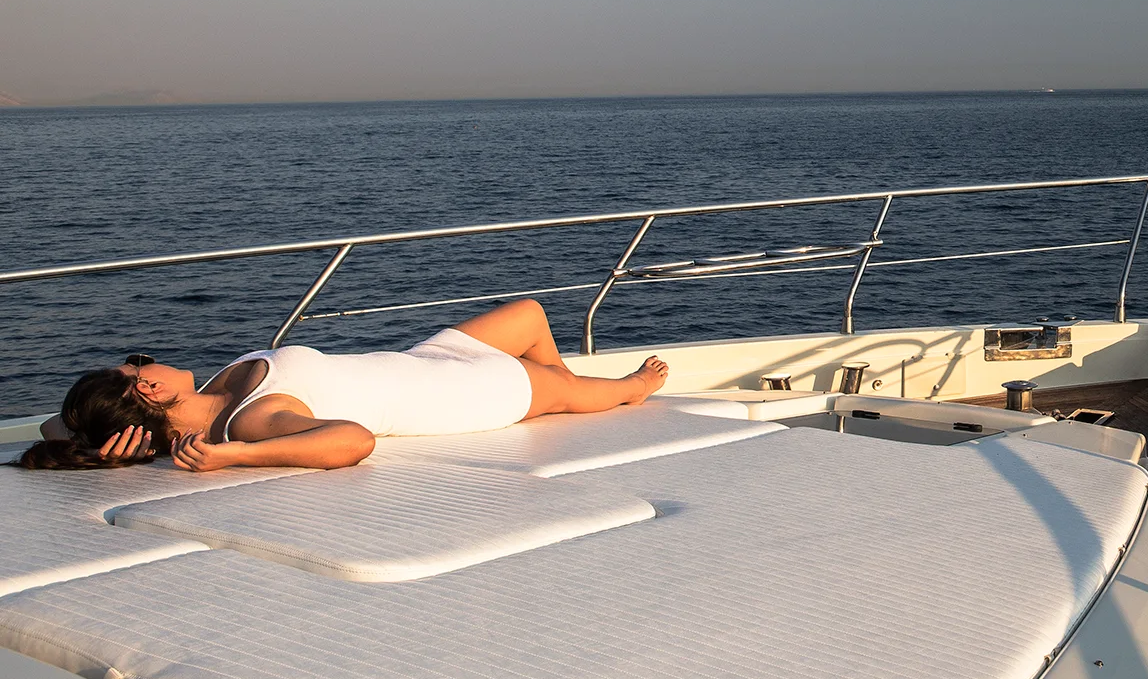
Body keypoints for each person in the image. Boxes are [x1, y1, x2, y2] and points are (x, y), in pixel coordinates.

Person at [13, 298, 668, 472]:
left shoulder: (217, 386)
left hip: (428, 356)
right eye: (139, 364)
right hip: (474, 392)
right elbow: (351, 441)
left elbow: (53, 428)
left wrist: (96, 446)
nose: (148, 358)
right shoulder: (249, 421)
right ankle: (602, 387)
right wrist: (231, 457)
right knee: (612, 390)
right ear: (150, 392)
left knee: (528, 312)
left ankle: (568, 380)